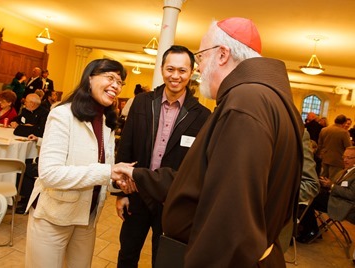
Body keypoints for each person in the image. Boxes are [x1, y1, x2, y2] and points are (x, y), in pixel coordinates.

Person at [113, 17, 304, 267]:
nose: (200, 68)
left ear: (223, 54)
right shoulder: (261, 98)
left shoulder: (245, 103)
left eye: (201, 57)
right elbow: (203, 181)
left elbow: (228, 218)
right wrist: (136, 173)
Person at [24, 58, 132, 268]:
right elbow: (50, 174)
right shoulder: (62, 114)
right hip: (53, 216)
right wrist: (108, 172)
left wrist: (119, 181)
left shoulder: (106, 121)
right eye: (110, 78)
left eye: (120, 82)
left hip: (87, 217)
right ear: (89, 78)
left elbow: (100, 168)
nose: (116, 86)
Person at [114, 45, 211, 268]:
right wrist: (120, 192)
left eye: (182, 70)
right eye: (170, 69)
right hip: (135, 193)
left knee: (165, 259)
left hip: (171, 200)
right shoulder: (142, 102)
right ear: (161, 69)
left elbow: (196, 165)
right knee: (127, 255)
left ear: (191, 72)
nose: (175, 76)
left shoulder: (203, 116)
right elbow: (126, 146)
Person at [297, 146, 355, 243]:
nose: (345, 160)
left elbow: (351, 194)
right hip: (335, 198)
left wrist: (331, 185)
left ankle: (310, 230)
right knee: (310, 196)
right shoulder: (344, 170)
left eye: (349, 158)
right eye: (344, 157)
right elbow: (336, 186)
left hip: (343, 205)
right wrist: (326, 183)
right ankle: (310, 229)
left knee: (309, 198)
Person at [317, 114, 352, 179]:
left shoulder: (324, 130)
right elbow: (348, 147)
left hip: (325, 158)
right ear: (344, 123)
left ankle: (320, 189)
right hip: (337, 160)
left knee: (323, 178)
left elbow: (320, 144)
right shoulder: (344, 132)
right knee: (333, 179)